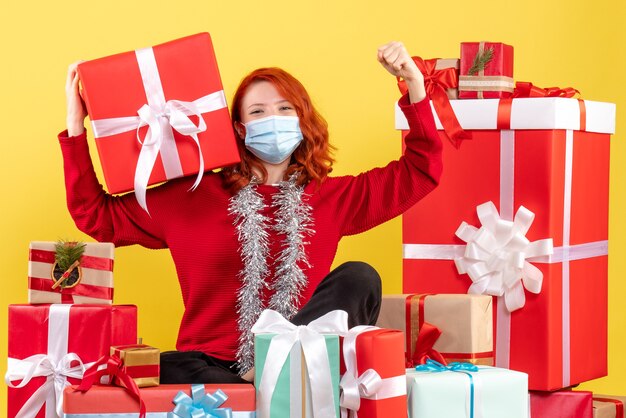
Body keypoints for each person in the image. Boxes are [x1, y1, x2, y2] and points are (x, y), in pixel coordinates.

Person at [61, 41, 442, 383]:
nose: (273, 118)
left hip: (300, 363)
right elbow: (96, 216)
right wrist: (76, 127)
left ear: (301, 120)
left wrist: (414, 85)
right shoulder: (192, 192)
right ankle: (251, 388)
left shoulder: (332, 196)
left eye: (284, 108)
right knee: (164, 366)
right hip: (211, 367)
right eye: (258, 111)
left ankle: (271, 370)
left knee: (361, 277)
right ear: (240, 130)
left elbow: (421, 170)